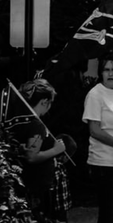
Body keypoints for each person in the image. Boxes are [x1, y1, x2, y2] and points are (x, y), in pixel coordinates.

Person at [82, 53, 113, 223]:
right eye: (106, 70)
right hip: (103, 161)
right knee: (108, 212)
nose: (110, 74)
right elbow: (95, 130)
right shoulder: (95, 95)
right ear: (101, 72)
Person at [11, 79, 66, 222]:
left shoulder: (19, 121)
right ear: (44, 102)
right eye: (50, 102)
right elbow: (32, 157)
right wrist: (56, 150)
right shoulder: (36, 125)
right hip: (38, 185)